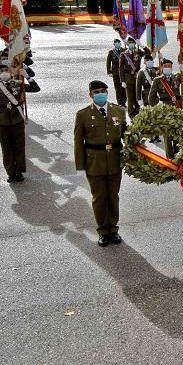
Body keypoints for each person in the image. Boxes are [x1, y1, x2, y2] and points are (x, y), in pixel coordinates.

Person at [73, 80, 127, 247]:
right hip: (94, 162)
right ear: (90, 95)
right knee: (99, 198)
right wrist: (80, 166)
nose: (100, 94)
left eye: (103, 90)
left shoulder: (118, 111)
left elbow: (126, 133)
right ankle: (103, 231)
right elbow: (78, 141)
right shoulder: (82, 115)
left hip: (115, 160)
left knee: (113, 196)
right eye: (97, 92)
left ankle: (113, 229)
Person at [0, 63, 27, 183]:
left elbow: (35, 88)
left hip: (16, 120)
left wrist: (27, 76)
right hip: (1, 121)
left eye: (7, 70)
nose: (4, 72)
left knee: (19, 147)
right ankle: (10, 172)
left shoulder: (18, 84)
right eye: (2, 71)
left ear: (11, 72)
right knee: (6, 148)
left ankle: (19, 172)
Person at [120, 37, 146, 117]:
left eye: (133, 43)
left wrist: (141, 45)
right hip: (128, 79)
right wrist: (122, 81)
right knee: (130, 98)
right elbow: (120, 68)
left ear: (135, 44)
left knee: (137, 96)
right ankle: (131, 114)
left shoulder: (138, 52)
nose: (131, 44)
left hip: (137, 77)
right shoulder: (123, 54)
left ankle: (138, 113)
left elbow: (147, 52)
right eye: (129, 43)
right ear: (127, 44)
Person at [106, 38, 126, 106]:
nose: (117, 44)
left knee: (124, 88)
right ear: (114, 44)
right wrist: (109, 72)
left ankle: (124, 102)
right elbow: (108, 62)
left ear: (120, 44)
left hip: (124, 72)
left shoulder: (124, 50)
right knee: (118, 88)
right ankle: (120, 102)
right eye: (116, 43)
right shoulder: (111, 52)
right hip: (115, 73)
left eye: (118, 43)